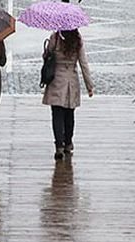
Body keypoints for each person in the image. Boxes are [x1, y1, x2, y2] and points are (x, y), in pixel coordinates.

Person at [42, 29, 93, 160]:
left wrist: (46, 51)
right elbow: (83, 63)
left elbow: (47, 55)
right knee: (69, 114)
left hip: (56, 80)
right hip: (71, 81)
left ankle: (59, 145)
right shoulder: (77, 39)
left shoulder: (55, 37)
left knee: (57, 114)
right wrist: (89, 86)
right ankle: (68, 143)